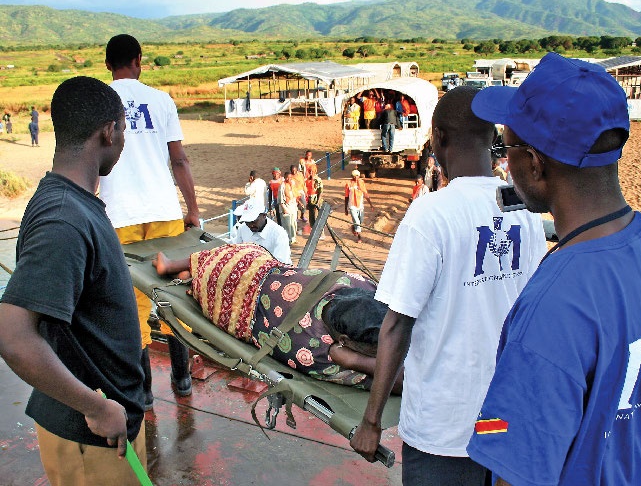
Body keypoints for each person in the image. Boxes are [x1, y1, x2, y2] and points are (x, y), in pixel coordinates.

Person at [466, 52, 641, 486]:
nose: (504, 163)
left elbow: (516, 470)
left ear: (534, 163)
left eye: (506, 148)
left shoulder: (551, 304)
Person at [349, 86, 546, 485]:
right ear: (492, 140)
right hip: (500, 422)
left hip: (442, 430)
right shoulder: (523, 208)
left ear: (438, 138)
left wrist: (371, 422)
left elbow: (396, 326)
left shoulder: (431, 213)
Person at [0, 76, 146, 485]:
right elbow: (13, 336)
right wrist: (98, 408)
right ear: (109, 131)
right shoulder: (64, 219)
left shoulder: (72, 201)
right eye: (123, 131)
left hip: (106, 427)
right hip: (91, 438)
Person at [152, 244, 403, 393]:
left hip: (252, 297)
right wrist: (354, 359)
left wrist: (354, 359)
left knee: (239, 259)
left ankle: (181, 270)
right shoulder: (321, 352)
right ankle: (187, 273)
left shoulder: (360, 290)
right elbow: (403, 377)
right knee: (242, 258)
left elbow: (403, 376)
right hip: (261, 284)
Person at [101, 34, 200, 405]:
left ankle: (142, 391)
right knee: (174, 294)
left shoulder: (102, 102)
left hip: (119, 216)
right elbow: (179, 161)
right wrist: (192, 209)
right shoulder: (161, 100)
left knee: (132, 304)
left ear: (108, 64)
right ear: (138, 60)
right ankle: (182, 378)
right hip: (163, 212)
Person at [232, 198, 292, 265]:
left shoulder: (279, 233)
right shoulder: (242, 229)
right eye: (247, 222)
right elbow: (238, 252)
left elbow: (280, 263)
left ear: (264, 215)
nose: (251, 225)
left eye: (253, 221)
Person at [345, 169, 374, 242]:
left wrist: (371, 204)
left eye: (357, 176)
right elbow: (346, 196)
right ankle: (359, 237)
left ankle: (354, 227)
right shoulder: (348, 184)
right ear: (352, 176)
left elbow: (365, 194)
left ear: (359, 176)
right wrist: (346, 208)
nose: (355, 177)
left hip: (360, 206)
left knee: (360, 221)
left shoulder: (361, 183)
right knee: (357, 222)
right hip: (352, 206)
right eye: (354, 176)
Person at [279, 171, 298, 244]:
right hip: (286, 208)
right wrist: (284, 209)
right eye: (287, 177)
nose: (289, 179)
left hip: (293, 207)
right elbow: (281, 200)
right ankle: (288, 240)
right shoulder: (282, 186)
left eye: (290, 177)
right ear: (285, 178)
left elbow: (295, 194)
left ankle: (293, 238)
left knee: (293, 223)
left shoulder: (292, 184)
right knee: (287, 225)